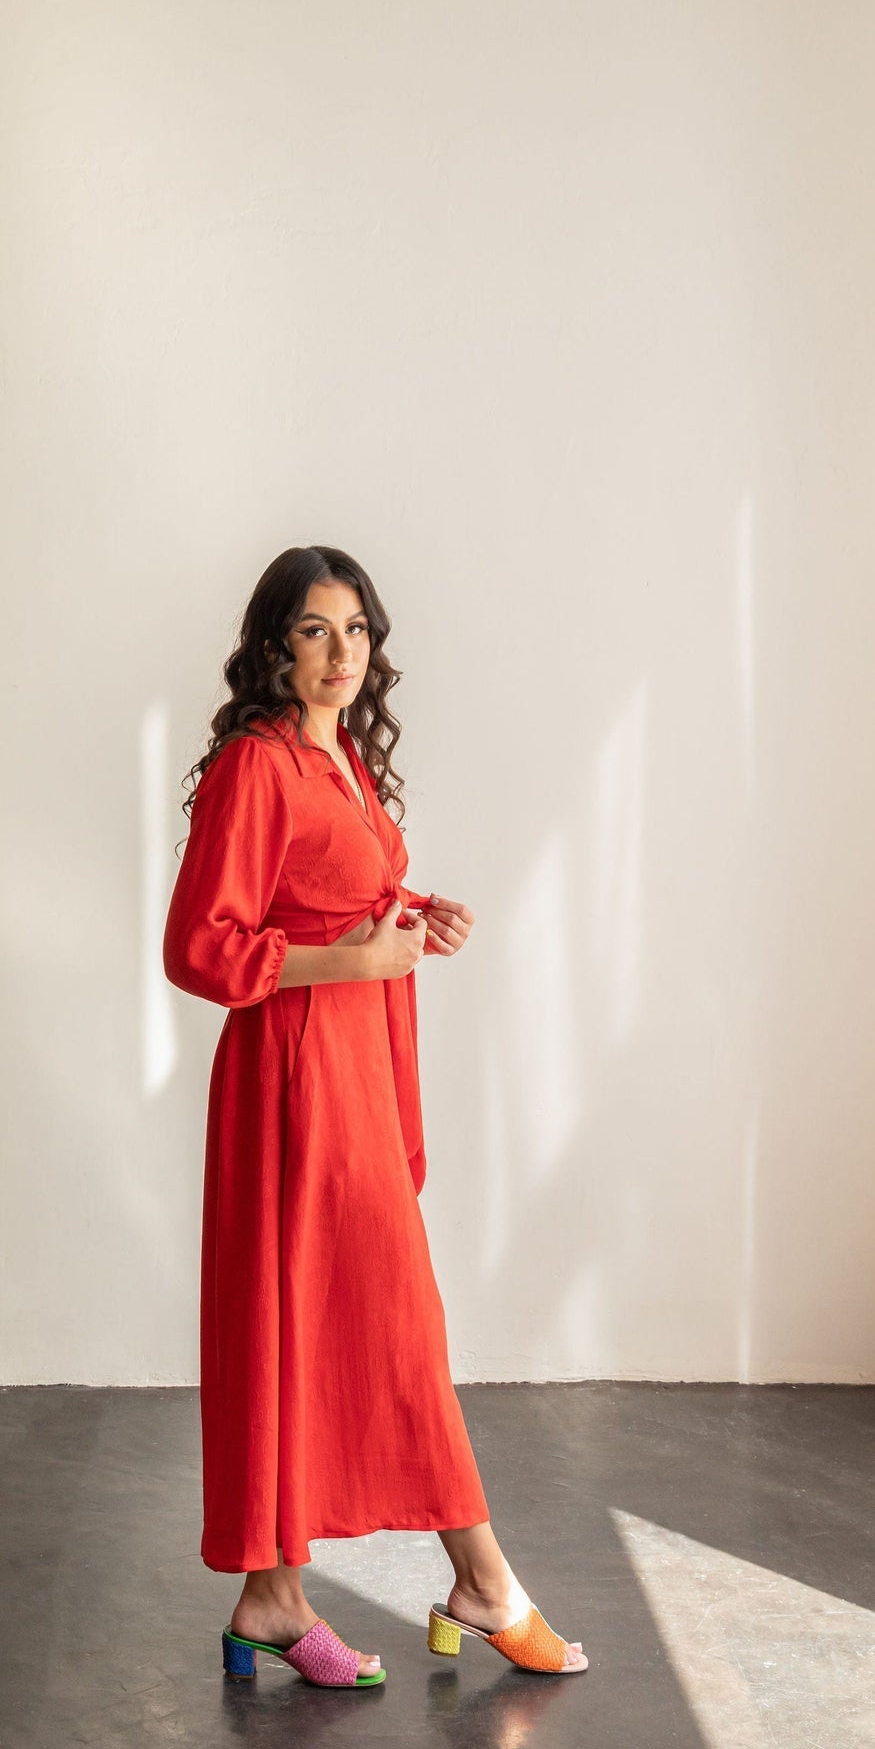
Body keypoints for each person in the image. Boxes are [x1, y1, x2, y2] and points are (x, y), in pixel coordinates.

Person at [162, 545, 587, 1690]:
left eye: (356, 630)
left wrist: (408, 912)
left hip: (352, 1064)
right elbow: (200, 946)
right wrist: (354, 958)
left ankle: (272, 1598)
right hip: (296, 1076)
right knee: (382, 1323)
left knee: (338, 1322)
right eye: (315, 630)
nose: (341, 652)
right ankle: (483, 1583)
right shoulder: (257, 765)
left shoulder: (341, 755)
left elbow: (330, 896)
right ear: (273, 645)